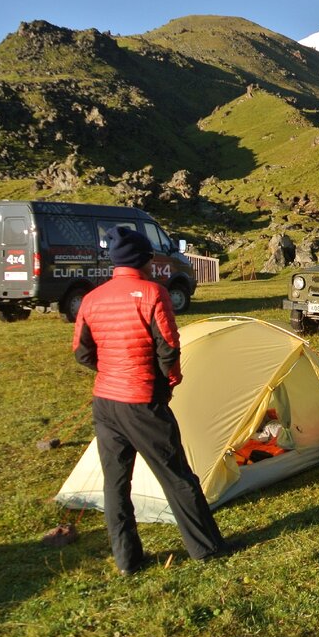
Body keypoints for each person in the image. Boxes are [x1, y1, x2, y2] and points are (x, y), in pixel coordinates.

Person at [73, 227, 231, 575]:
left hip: (105, 400)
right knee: (176, 475)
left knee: (115, 482)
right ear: (143, 260)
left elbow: (82, 353)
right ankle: (206, 548)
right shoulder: (152, 294)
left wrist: (111, 369)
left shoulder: (91, 299)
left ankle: (127, 560)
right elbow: (168, 348)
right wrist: (169, 383)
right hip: (143, 399)